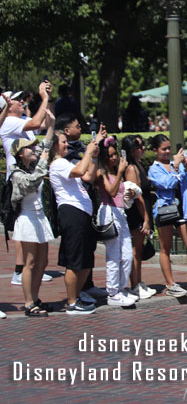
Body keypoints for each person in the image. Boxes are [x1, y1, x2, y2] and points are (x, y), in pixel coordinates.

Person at [4, 82, 55, 289]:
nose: (21, 102)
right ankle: (19, 270)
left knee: (33, 226)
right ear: (7, 106)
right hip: (19, 178)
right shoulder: (8, 122)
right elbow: (36, 123)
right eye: (17, 100)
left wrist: (48, 98)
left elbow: (44, 122)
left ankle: (28, 273)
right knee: (23, 226)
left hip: (33, 175)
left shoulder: (23, 119)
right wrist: (43, 99)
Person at [148, 134, 187, 297]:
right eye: (164, 149)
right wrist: (176, 167)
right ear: (155, 150)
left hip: (183, 209)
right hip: (166, 210)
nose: (167, 152)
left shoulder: (177, 165)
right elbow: (167, 184)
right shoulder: (154, 169)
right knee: (165, 248)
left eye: (169, 148)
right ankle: (170, 284)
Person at [50, 124, 102, 314]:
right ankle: (72, 302)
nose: (66, 145)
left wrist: (94, 156)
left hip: (83, 213)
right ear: (55, 146)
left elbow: (88, 176)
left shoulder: (67, 163)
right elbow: (80, 171)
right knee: (74, 260)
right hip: (71, 213)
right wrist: (88, 151)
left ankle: (78, 295)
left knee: (86, 259)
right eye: (63, 142)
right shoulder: (58, 164)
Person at [9, 123, 55, 316]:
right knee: (30, 262)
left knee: (42, 261)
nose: (34, 149)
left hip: (39, 217)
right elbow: (31, 182)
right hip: (27, 218)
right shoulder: (16, 173)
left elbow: (46, 144)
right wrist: (43, 160)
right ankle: (28, 303)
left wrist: (51, 123)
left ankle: (35, 298)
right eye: (29, 147)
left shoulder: (34, 165)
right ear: (20, 153)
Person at [96, 136, 136, 307]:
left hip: (121, 213)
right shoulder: (101, 172)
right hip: (108, 212)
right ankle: (112, 293)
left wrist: (129, 194)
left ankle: (120, 289)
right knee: (114, 255)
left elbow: (120, 193)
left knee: (127, 255)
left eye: (115, 155)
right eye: (110, 155)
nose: (114, 158)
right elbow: (111, 192)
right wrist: (120, 172)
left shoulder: (114, 172)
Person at [122, 134, 156, 299]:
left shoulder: (138, 165)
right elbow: (137, 196)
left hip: (143, 211)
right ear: (132, 150)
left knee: (139, 248)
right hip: (136, 214)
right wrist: (146, 219)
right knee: (135, 250)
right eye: (140, 147)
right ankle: (134, 284)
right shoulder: (131, 169)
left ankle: (139, 281)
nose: (143, 149)